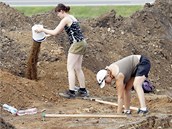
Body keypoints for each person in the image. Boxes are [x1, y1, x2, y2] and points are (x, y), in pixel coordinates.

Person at [35, 3, 88, 98]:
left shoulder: (65, 19)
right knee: (77, 68)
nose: (58, 16)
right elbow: (60, 31)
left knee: (70, 68)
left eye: (58, 13)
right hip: (82, 43)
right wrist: (47, 35)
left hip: (76, 44)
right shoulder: (71, 17)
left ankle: (71, 92)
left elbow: (55, 32)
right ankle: (83, 90)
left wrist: (42, 30)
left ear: (62, 11)